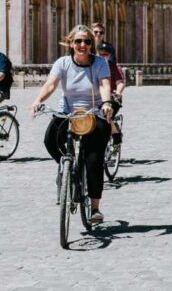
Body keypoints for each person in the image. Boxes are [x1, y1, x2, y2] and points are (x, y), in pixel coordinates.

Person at [28, 25, 116, 224]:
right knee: (50, 140)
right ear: (70, 44)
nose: (82, 45)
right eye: (78, 41)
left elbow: (104, 85)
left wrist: (107, 103)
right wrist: (38, 100)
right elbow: (51, 84)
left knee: (94, 160)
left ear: (91, 44)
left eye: (86, 41)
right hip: (67, 112)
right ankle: (66, 168)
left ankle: (94, 208)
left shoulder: (100, 63)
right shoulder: (63, 63)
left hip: (93, 113)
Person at [98, 42, 125, 147]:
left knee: (106, 112)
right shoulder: (93, 65)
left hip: (112, 97)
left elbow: (120, 82)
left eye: (106, 54)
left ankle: (115, 134)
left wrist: (118, 93)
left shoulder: (114, 66)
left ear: (110, 55)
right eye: (101, 54)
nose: (103, 56)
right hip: (97, 97)